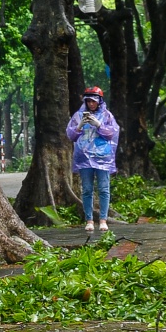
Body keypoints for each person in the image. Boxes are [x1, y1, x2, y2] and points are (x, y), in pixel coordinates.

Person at [66, 86, 120, 233]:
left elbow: (112, 133)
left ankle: (103, 220)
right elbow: (71, 135)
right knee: (87, 189)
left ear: (99, 101)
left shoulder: (107, 116)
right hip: (84, 157)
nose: (91, 104)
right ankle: (89, 220)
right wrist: (79, 126)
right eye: (88, 101)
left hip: (102, 157)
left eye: (94, 101)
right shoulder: (78, 116)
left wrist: (99, 124)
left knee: (103, 189)